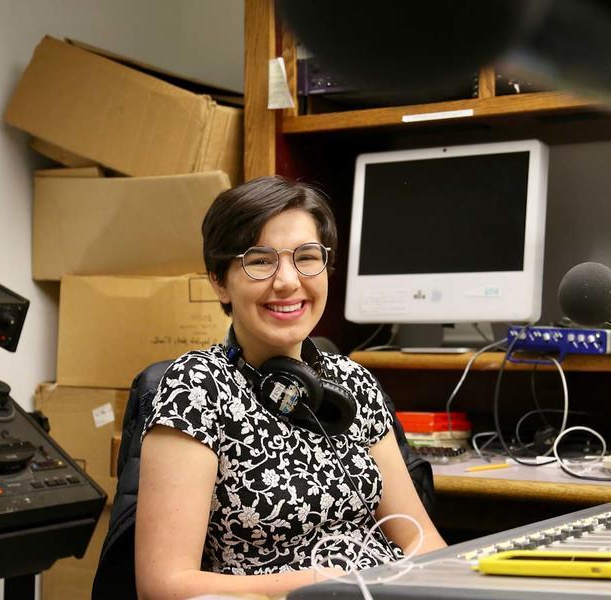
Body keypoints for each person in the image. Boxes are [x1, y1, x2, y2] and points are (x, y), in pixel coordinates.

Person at [134, 175, 446, 599]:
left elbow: (420, 539)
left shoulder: (351, 381)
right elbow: (165, 585)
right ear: (219, 280)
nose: (287, 281)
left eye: (306, 257)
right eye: (260, 260)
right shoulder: (196, 389)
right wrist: (322, 584)